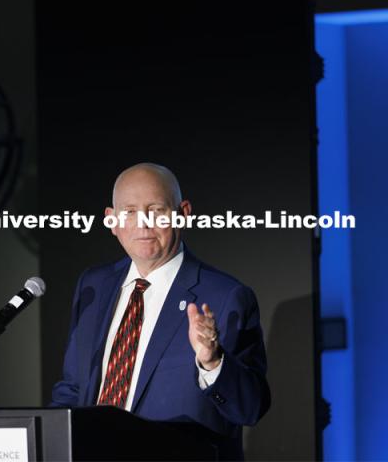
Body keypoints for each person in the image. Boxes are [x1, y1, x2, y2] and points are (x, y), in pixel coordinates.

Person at [51, 162, 270, 460]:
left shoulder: (226, 296)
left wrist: (213, 362)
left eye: (156, 211)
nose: (143, 224)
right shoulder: (94, 285)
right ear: (112, 221)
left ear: (183, 214)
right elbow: (72, 389)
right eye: (129, 212)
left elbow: (250, 408)